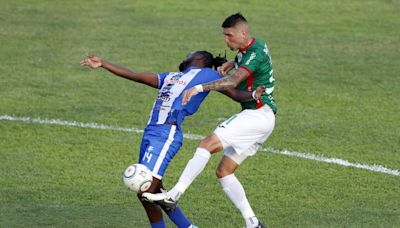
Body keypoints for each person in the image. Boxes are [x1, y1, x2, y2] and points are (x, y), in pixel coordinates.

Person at [80, 50, 265, 228]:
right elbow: (135, 75)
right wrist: (104, 63)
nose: (186, 56)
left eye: (190, 54)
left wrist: (254, 95)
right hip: (151, 134)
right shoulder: (171, 77)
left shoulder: (207, 74)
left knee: (146, 189)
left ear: (200, 58)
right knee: (155, 189)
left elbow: (233, 92)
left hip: (165, 134)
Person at [143, 13, 277, 228]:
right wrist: (232, 63)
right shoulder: (251, 48)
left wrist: (199, 87)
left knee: (206, 144)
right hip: (262, 119)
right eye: (224, 35)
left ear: (243, 33)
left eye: (229, 35)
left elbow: (233, 81)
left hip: (257, 114)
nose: (226, 40)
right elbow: (247, 60)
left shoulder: (255, 52)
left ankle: (175, 194)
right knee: (224, 172)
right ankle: (252, 223)